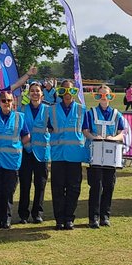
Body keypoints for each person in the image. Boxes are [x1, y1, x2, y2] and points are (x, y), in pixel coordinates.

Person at [84, 85, 127, 228]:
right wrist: (93, 137)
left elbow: (122, 132)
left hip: (111, 154)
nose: (104, 98)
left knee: (109, 185)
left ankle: (105, 216)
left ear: (110, 96)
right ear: (97, 96)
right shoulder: (91, 113)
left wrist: (114, 138)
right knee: (96, 186)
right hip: (95, 154)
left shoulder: (116, 114)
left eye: (106, 95)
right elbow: (85, 130)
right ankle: (93, 218)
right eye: (101, 95)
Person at [47, 82, 87, 230]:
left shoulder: (82, 110)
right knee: (57, 189)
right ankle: (59, 219)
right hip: (58, 155)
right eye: (64, 90)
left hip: (75, 155)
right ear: (61, 92)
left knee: (74, 189)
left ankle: (69, 218)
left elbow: (86, 131)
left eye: (71, 90)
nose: (68, 93)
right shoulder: (51, 110)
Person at [0, 90, 24, 228]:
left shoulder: (20, 117)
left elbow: (26, 136)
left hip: (12, 161)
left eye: (9, 100)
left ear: (13, 102)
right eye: (4, 100)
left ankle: (6, 219)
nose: (6, 103)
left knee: (8, 192)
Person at [16, 81, 51, 223]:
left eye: (37, 91)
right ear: (28, 94)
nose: (35, 93)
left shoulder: (48, 110)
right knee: (24, 184)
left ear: (42, 94)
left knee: (40, 185)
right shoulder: (22, 110)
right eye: (32, 91)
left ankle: (37, 213)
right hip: (25, 152)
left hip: (42, 153)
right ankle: (23, 214)